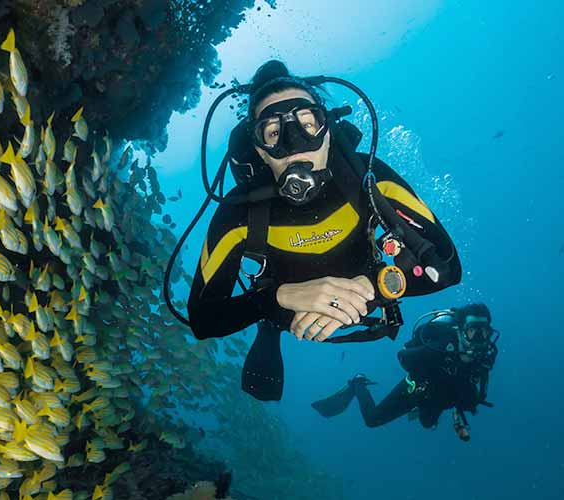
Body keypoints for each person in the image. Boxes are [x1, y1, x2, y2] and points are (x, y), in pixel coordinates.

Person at [184, 60, 461, 400]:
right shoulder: (238, 211)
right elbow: (203, 318)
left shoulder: (370, 179)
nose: (294, 143)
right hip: (283, 312)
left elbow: (448, 266)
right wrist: (278, 298)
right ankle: (269, 327)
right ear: (259, 150)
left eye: (307, 124)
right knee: (269, 319)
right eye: (273, 133)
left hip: (368, 292)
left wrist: (373, 287)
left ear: (327, 130)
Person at [312, 304, 499, 441]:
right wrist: (428, 366)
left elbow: (475, 390)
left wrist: (462, 408)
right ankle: (358, 383)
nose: (479, 339)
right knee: (373, 419)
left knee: (427, 424)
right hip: (419, 389)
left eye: (485, 333)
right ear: (460, 331)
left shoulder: (484, 357)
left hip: (445, 395)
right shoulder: (440, 346)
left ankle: (448, 414)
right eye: (473, 331)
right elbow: (403, 356)